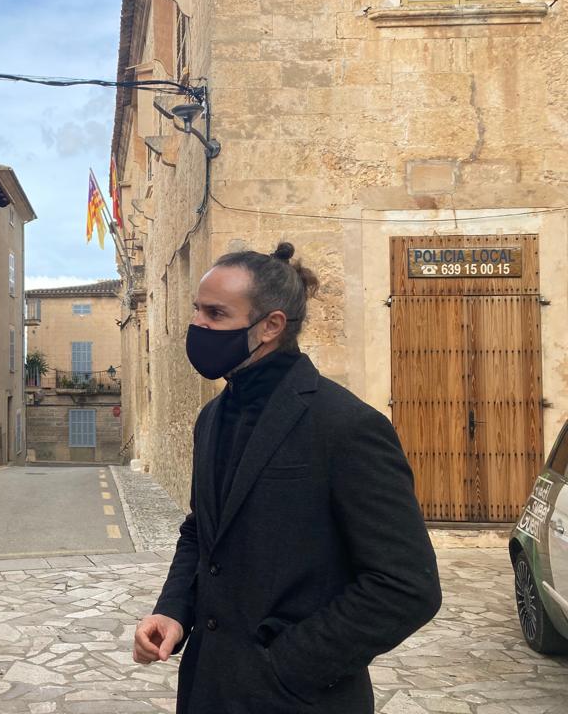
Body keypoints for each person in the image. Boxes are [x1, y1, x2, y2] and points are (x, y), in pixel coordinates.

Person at [133, 243, 442, 713]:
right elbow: (202, 531)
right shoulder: (212, 418)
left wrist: (286, 666)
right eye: (197, 310)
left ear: (271, 326)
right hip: (209, 690)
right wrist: (174, 610)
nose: (198, 325)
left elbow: (406, 586)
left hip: (299, 700)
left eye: (216, 314)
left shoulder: (346, 425)